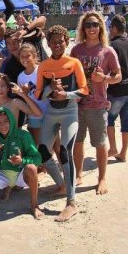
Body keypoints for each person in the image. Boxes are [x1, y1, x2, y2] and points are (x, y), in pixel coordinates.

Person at [35, 25, 89, 222]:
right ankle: (62, 184)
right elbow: (39, 94)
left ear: (67, 42)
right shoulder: (44, 66)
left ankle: (71, 202)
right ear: (48, 44)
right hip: (51, 112)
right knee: (42, 151)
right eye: (53, 42)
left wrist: (65, 93)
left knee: (66, 152)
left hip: (69, 112)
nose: (57, 45)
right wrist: (50, 87)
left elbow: (84, 90)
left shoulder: (73, 63)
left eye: (61, 41)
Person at [71, 12, 122, 195]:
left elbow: (118, 76)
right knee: (77, 142)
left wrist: (104, 78)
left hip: (98, 105)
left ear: (100, 27)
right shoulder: (76, 50)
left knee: (100, 143)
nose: (91, 28)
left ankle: (102, 178)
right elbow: (70, 73)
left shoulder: (107, 51)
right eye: (88, 25)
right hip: (77, 104)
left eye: (95, 24)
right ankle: (78, 174)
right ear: (83, 28)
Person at [106, 15, 128, 162]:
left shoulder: (111, 46)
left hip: (116, 89)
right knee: (127, 121)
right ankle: (123, 153)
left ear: (114, 28)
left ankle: (113, 147)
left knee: (109, 119)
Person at [17, 43, 50, 144]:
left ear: (34, 56)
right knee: (37, 144)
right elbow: (23, 97)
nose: (25, 59)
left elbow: (50, 89)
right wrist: (25, 93)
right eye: (22, 56)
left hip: (49, 112)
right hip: (34, 115)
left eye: (28, 56)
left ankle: (63, 160)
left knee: (55, 143)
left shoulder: (42, 70)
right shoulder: (20, 77)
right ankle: (40, 160)